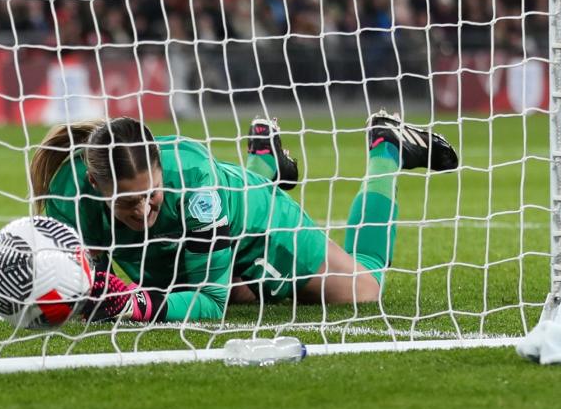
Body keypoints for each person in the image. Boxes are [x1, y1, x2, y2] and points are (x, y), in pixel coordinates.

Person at [29, 113, 458, 323]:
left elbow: (210, 302)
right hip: (188, 245)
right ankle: (266, 161)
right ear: (93, 183)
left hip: (255, 223)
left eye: (151, 196)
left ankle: (386, 149)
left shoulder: (197, 185)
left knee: (365, 288)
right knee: (236, 295)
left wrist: (134, 303)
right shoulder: (66, 194)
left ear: (161, 169)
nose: (141, 211)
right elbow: (80, 268)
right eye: (126, 202)